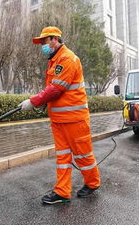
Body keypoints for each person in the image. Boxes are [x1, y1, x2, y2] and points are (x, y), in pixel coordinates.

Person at [19, 26, 100, 205]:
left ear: (55, 39)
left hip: (74, 119)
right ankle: (62, 192)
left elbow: (56, 89)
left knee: (82, 154)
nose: (42, 45)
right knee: (63, 156)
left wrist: (33, 101)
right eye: (41, 42)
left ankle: (92, 183)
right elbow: (53, 89)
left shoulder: (67, 59)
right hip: (59, 119)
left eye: (44, 41)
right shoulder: (55, 60)